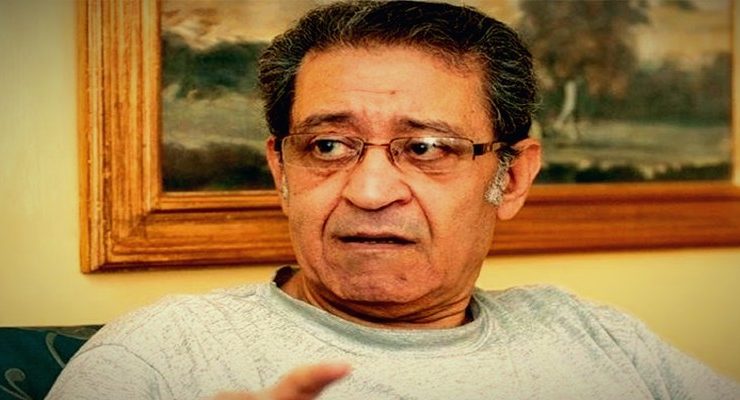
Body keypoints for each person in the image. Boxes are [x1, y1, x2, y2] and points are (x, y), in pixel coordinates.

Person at [49, 1, 738, 399]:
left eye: (427, 147)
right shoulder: (161, 356)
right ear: (280, 169)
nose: (370, 191)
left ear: (512, 178)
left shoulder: (602, 340)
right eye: (328, 146)